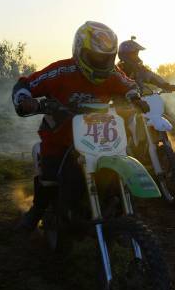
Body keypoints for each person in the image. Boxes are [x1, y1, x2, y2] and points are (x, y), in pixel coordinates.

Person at [12, 21, 148, 230]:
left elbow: (128, 83)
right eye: (96, 57)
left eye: (107, 57)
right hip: (60, 135)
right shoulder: (61, 71)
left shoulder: (112, 73)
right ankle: (37, 211)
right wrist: (24, 100)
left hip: (101, 136)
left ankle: (120, 215)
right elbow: (25, 84)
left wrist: (134, 97)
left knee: (120, 165)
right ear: (80, 52)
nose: (102, 62)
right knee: (50, 175)